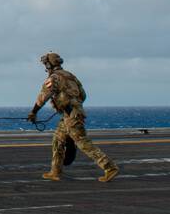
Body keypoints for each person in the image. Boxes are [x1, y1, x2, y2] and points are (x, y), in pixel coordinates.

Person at [29, 52, 119, 183]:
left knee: (83, 143)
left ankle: (109, 167)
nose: (45, 67)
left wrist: (33, 112)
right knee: (58, 140)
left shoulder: (54, 78)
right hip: (71, 113)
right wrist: (69, 104)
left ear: (49, 64)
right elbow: (83, 95)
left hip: (71, 115)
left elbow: (43, 97)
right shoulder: (71, 76)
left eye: (46, 64)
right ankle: (55, 171)